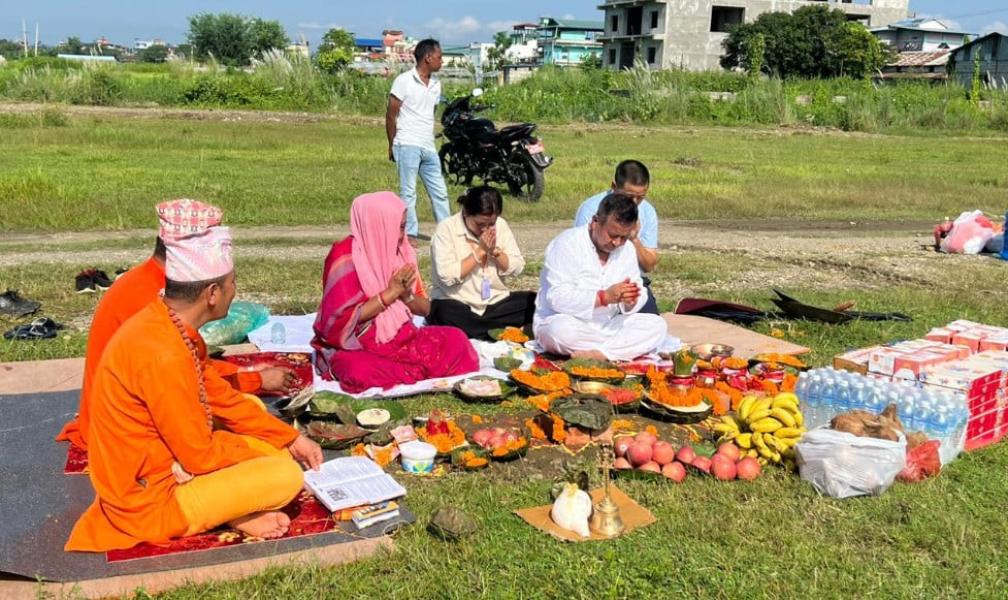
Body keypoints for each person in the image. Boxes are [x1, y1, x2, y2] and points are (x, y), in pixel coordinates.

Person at [66, 226, 322, 552]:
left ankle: (235, 506)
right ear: (212, 293)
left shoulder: (167, 321)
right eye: (233, 284)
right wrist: (262, 451)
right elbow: (198, 454)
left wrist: (289, 437)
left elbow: (220, 397)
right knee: (285, 475)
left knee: (254, 413)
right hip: (150, 498)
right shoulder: (164, 353)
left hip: (164, 456)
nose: (235, 291)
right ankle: (231, 512)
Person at [56, 200, 295, 451]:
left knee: (249, 410)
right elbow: (191, 387)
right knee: (258, 442)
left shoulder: (151, 284)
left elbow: (195, 368)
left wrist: (247, 378)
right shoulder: (156, 302)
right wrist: (255, 383)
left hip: (125, 416)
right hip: (127, 438)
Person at [311, 191, 479, 393]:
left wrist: (405, 294)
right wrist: (390, 293)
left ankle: (409, 371)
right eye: (399, 227)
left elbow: (424, 309)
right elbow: (337, 323)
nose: (402, 235)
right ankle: (415, 371)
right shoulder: (344, 257)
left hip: (403, 339)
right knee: (356, 370)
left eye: (403, 227)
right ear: (379, 225)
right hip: (358, 346)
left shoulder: (400, 251)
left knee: (456, 340)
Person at [535, 193, 667, 361]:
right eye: (612, 235)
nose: (617, 243)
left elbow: (638, 288)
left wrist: (631, 299)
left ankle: (602, 354)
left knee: (656, 325)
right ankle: (619, 350)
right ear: (595, 221)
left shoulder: (626, 250)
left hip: (608, 325)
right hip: (569, 323)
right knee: (558, 332)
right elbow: (556, 298)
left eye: (624, 237)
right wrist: (603, 298)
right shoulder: (567, 243)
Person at [427, 186, 535, 340]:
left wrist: (495, 251)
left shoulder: (500, 225)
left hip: (494, 301)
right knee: (442, 312)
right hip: (458, 301)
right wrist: (480, 251)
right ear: (466, 212)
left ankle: (485, 331)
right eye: (480, 224)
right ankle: (501, 333)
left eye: (491, 224)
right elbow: (447, 276)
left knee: (534, 301)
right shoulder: (446, 228)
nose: (486, 229)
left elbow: (517, 267)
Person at [574, 160, 660, 315]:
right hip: (593, 282)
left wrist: (633, 239)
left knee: (652, 323)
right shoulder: (591, 208)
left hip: (630, 282)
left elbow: (649, 265)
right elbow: (581, 255)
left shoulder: (647, 211)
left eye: (640, 197)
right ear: (614, 186)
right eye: (628, 196)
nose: (634, 202)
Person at [386, 38, 450, 245]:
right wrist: (392, 144)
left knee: (439, 192)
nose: (442, 61)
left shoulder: (436, 85)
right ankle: (410, 233)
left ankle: (447, 233)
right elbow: (390, 115)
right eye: (439, 57)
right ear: (428, 57)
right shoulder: (404, 80)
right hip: (407, 144)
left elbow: (430, 113)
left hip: (428, 146)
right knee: (409, 192)